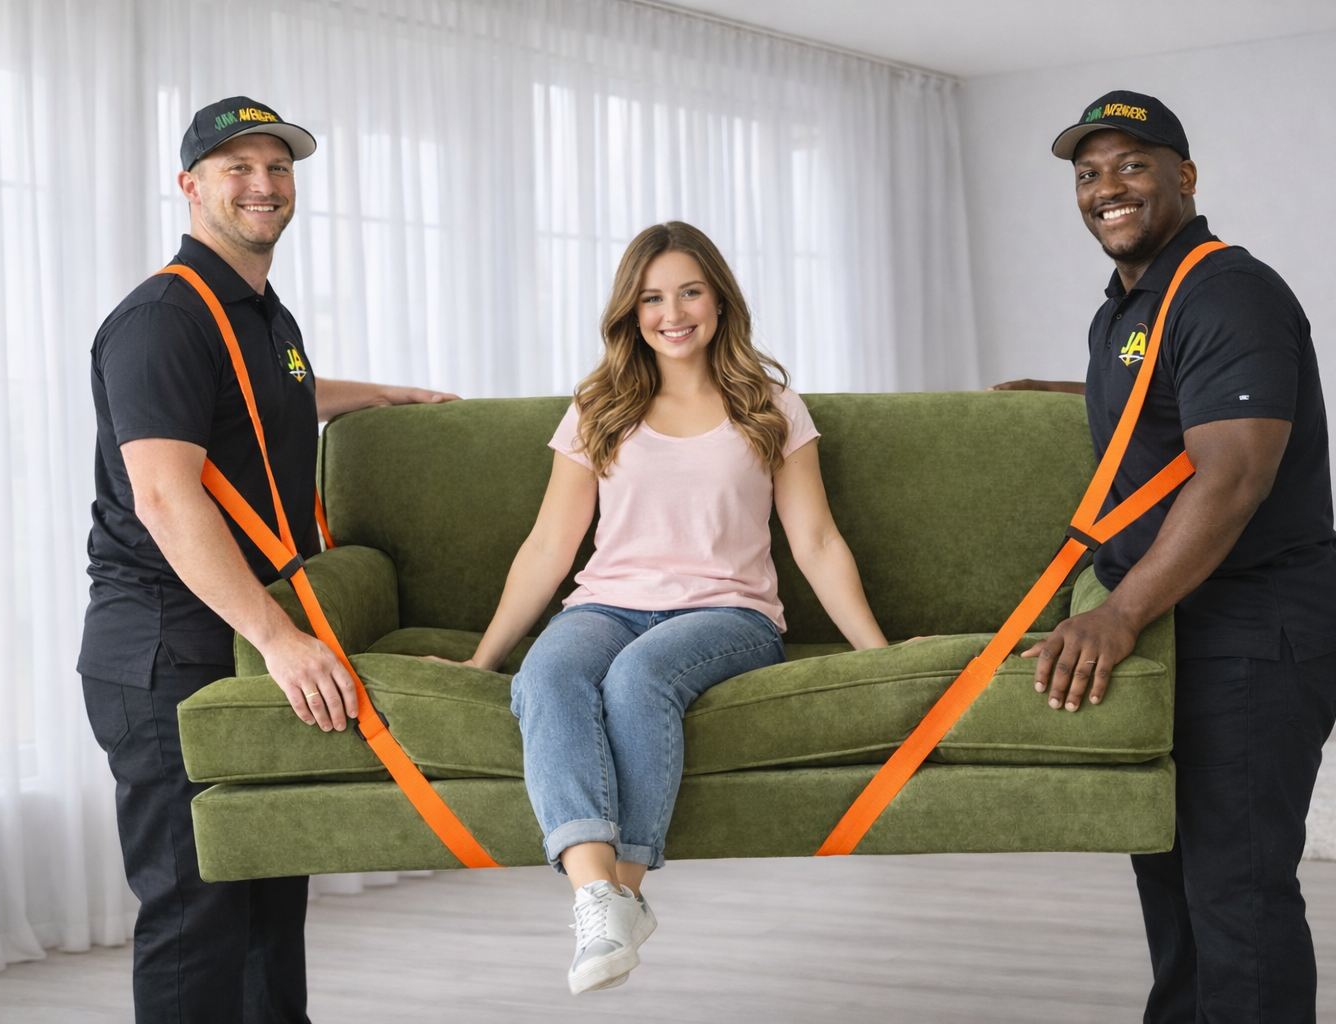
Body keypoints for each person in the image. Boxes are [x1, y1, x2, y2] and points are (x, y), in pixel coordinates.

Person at [78, 96, 458, 1023]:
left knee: (268, 891)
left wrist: (379, 397)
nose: (263, 184)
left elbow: (266, 394)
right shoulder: (163, 317)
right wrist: (280, 638)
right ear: (191, 186)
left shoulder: (259, 313)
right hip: (172, 650)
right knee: (196, 909)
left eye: (278, 168)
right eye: (238, 168)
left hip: (240, 639)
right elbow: (167, 496)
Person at [446, 221, 888, 995]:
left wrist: (878, 657)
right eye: (652, 297)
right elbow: (550, 548)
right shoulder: (599, 406)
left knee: (639, 680)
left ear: (719, 298)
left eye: (689, 291)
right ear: (631, 311)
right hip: (606, 605)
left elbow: (815, 541)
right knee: (548, 675)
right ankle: (597, 901)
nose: (672, 312)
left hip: (729, 616)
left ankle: (628, 886)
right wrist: (483, 661)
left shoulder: (772, 404)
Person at [993, 91, 1336, 1022]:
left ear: (1186, 178)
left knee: (1237, 889)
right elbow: (1164, 399)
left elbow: (1233, 476)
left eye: (1131, 165)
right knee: (1173, 872)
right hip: (1181, 624)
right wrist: (1054, 394)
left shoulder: (1229, 289)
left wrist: (1115, 613)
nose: (1105, 188)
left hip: (1255, 628)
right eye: (1087, 174)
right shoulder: (1131, 305)